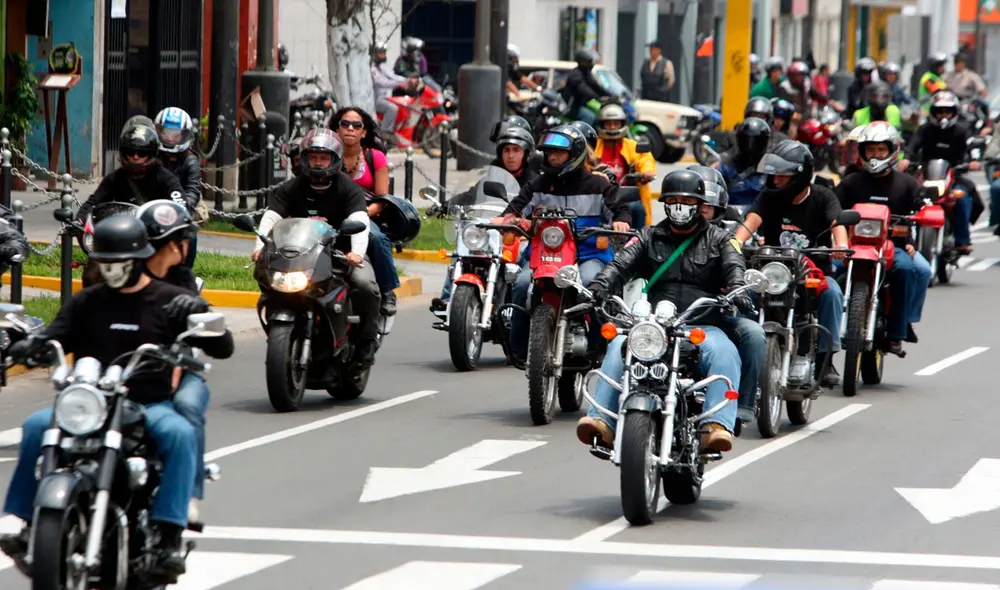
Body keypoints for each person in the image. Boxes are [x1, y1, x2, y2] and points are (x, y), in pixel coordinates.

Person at [0, 216, 235, 583]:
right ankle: (24, 521)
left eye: (117, 263)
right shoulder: (87, 302)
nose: (109, 271)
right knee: (34, 426)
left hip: (148, 404)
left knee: (179, 433)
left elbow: (223, 346)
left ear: (138, 259)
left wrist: (197, 312)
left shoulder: (171, 299)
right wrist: (32, 345)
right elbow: (55, 337)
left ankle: (170, 535)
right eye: (103, 263)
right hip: (90, 404)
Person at [576, 170, 751, 453]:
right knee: (620, 342)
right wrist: (599, 285)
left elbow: (735, 267)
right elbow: (620, 265)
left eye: (687, 201)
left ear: (699, 204)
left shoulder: (721, 239)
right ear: (665, 204)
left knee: (725, 352)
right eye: (672, 200)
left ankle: (717, 425)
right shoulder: (648, 236)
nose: (679, 207)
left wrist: (739, 289)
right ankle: (601, 421)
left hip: (700, 324)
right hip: (655, 323)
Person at [495, 124, 630, 366]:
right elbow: (515, 209)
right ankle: (518, 348)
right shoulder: (538, 184)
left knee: (592, 285)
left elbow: (620, 210)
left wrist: (620, 222)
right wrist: (506, 219)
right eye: (548, 153)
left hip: (589, 254)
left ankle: (599, 346)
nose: (552, 157)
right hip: (545, 254)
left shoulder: (597, 186)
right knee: (522, 283)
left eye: (558, 153)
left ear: (575, 154)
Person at [251, 129, 382, 363]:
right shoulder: (291, 187)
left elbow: (361, 220)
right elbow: (272, 216)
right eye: (313, 157)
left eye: (324, 158)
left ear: (335, 159)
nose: (318, 163)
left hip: (340, 254)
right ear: (304, 159)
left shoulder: (348, 188)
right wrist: (259, 246)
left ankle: (367, 339)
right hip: (300, 254)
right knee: (265, 274)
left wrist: (357, 254)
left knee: (365, 285)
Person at [734, 140, 848, 387]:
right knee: (742, 295)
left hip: (813, 273)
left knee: (833, 294)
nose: (775, 181)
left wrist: (839, 244)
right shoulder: (768, 197)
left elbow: (837, 223)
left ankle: (825, 360)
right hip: (773, 272)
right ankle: (744, 353)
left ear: (799, 176)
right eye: (773, 176)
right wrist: (734, 244)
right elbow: (751, 221)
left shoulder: (823, 196)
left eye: (781, 177)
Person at [135, 199, 212, 521]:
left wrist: (179, 364)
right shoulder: (121, 276)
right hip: (127, 370)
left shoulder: (185, 284)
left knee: (187, 407)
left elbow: (211, 333)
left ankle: (189, 494)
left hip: (181, 366)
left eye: (175, 240)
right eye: (158, 241)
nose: (171, 247)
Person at [835, 123, 929, 353]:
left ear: (892, 151)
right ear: (863, 151)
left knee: (915, 270)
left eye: (881, 150)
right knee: (829, 270)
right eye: (870, 150)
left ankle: (900, 328)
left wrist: (910, 241)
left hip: (894, 246)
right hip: (852, 246)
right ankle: (820, 328)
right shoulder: (851, 182)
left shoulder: (907, 183)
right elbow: (833, 210)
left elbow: (921, 212)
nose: (875, 155)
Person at [430, 123, 539, 313]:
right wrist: (447, 204)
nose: (510, 155)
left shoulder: (534, 180)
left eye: (516, 150)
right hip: (490, 232)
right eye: (506, 150)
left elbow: (537, 209)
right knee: (461, 254)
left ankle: (517, 304)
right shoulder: (493, 173)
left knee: (521, 262)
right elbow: (471, 195)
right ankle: (449, 300)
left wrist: (525, 221)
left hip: (516, 236)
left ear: (526, 153)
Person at [690, 165, 765, 422]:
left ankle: (744, 402)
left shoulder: (727, 238)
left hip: (717, 313)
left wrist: (736, 288)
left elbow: (735, 265)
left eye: (706, 206)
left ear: (718, 206)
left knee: (754, 334)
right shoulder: (660, 233)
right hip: (670, 315)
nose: (700, 211)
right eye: (693, 204)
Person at [80, 116, 186, 287]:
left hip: (152, 242)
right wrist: (79, 220)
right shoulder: (114, 178)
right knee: (92, 273)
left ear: (151, 154)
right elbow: (92, 203)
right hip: (119, 241)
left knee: (167, 276)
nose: (136, 156)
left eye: (142, 153)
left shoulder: (165, 178)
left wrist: (170, 221)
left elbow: (180, 204)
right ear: (123, 152)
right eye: (131, 152)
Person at [330, 107, 401, 315]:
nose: (350, 129)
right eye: (345, 124)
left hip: (366, 217)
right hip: (332, 216)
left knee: (377, 239)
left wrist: (361, 214)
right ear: (336, 129)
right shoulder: (326, 155)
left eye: (356, 125)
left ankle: (388, 291)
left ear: (364, 132)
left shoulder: (375, 157)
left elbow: (382, 200)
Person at [901, 90, 984, 255]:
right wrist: (907, 159)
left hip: (953, 175)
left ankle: (962, 240)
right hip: (927, 175)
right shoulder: (925, 129)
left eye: (947, 111)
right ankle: (904, 237)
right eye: (940, 111)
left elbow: (971, 147)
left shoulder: (961, 131)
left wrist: (973, 161)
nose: (943, 115)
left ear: (954, 112)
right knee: (908, 198)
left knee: (963, 198)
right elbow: (912, 146)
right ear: (933, 112)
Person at [593, 103, 657, 226]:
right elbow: (585, 163)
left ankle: (638, 241)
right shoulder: (594, 146)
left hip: (626, 196)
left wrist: (646, 172)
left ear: (623, 124)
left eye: (616, 123)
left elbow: (645, 159)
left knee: (637, 208)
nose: (612, 127)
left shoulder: (632, 145)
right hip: (600, 197)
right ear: (601, 124)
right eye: (608, 123)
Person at [154, 107, 203, 266]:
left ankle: (186, 272)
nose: (170, 138)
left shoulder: (190, 161)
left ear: (184, 135)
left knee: (190, 235)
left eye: (175, 134)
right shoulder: (152, 155)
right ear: (158, 132)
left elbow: (192, 192)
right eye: (166, 132)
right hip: (149, 205)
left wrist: (181, 207)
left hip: (177, 210)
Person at [716, 117, 771, 207]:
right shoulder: (725, 167)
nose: (751, 145)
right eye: (747, 140)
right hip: (730, 216)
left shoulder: (771, 169)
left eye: (756, 142)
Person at [560, 49, 612, 126]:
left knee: (599, 114)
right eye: (587, 62)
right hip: (572, 107)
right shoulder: (575, 74)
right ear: (580, 62)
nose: (590, 64)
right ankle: (583, 136)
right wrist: (598, 98)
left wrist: (611, 96)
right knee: (590, 116)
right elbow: (583, 89)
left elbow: (596, 86)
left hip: (582, 105)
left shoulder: (586, 73)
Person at [371, 43, 410, 140]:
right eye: (381, 53)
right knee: (392, 108)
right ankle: (385, 132)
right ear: (375, 54)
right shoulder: (372, 69)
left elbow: (392, 76)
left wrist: (407, 80)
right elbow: (382, 82)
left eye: (384, 52)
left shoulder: (382, 66)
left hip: (386, 98)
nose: (383, 55)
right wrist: (398, 84)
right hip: (376, 100)